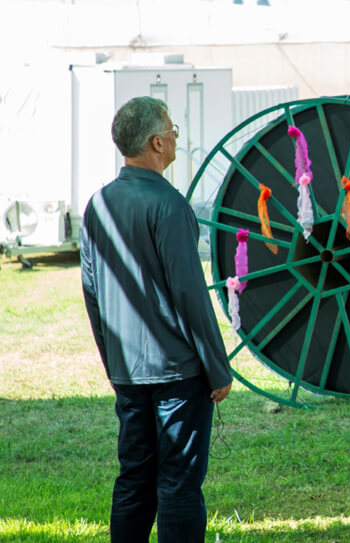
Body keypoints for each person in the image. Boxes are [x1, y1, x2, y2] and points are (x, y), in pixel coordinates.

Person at [80, 96, 233, 543]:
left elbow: (92, 294)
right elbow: (190, 296)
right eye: (174, 131)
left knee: (133, 479)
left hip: (127, 372)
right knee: (179, 484)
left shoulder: (97, 204)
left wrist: (113, 363)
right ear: (157, 142)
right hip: (177, 374)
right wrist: (217, 368)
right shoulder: (169, 205)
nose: (176, 138)